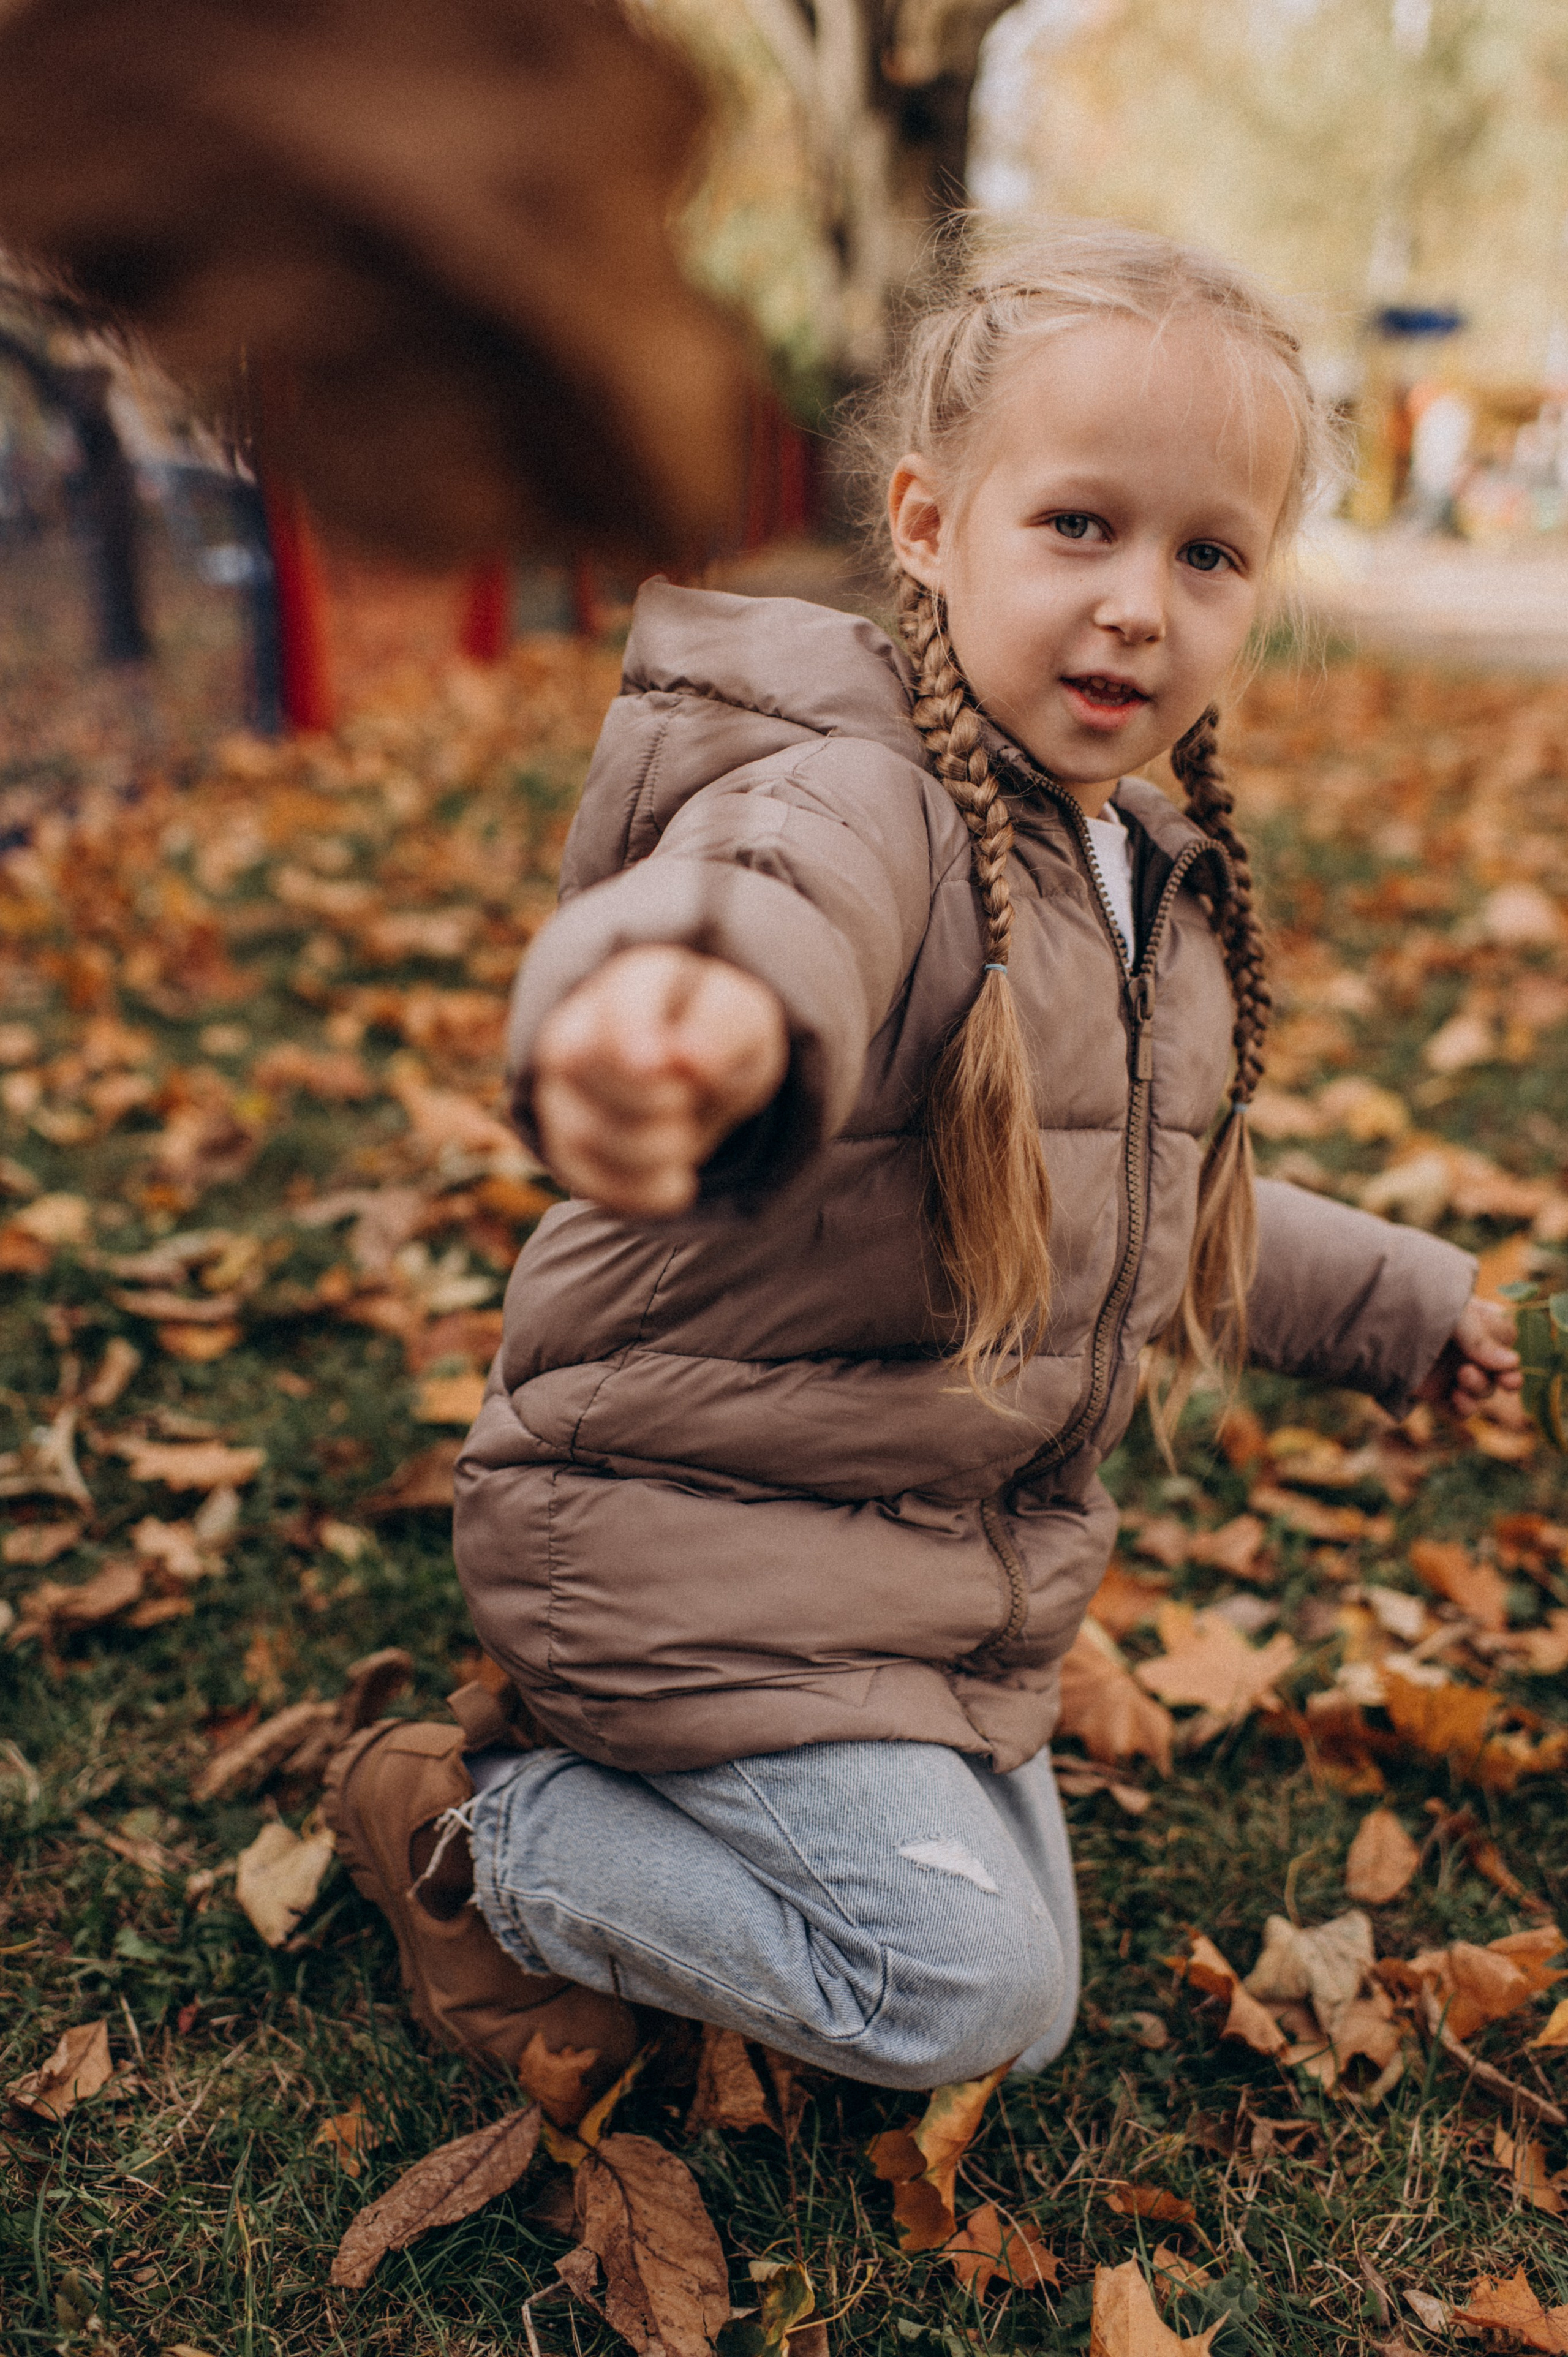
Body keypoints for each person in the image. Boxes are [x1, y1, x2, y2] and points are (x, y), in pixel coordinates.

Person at [325, 222, 1520, 2119]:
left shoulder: (1131, 867)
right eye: (1079, 528)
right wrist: (698, 1016)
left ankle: (667, 1800)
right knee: (958, 1992)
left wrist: (1402, 1305)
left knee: (1025, 1976)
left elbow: (1155, 1201)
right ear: (925, 522)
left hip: (907, 1567)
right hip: (680, 1538)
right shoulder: (854, 790)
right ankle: (488, 1833)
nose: (1141, 603)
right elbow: (768, 910)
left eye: (1207, 554)